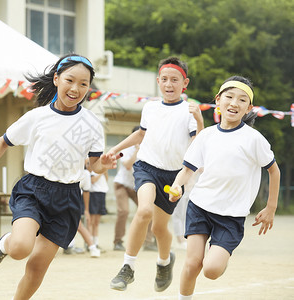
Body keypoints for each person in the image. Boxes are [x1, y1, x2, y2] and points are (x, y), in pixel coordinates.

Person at [0, 54, 118, 300]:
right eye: (70, 80)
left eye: (83, 83)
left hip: (68, 198)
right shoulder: (37, 117)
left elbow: (93, 166)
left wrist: (102, 164)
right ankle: (3, 244)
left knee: (37, 267)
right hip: (34, 191)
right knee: (20, 249)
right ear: (57, 79)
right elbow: (3, 142)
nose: (75, 88)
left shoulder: (91, 123)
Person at [167, 76, 280, 300]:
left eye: (241, 100)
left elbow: (274, 170)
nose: (234, 103)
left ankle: (219, 259)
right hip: (200, 207)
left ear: (249, 108)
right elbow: (187, 169)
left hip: (231, 216)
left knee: (210, 270)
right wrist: (177, 186)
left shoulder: (253, 139)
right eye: (229, 97)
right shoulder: (206, 136)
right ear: (218, 100)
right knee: (191, 264)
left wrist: (271, 207)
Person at [108, 56, 204, 292]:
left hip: (174, 177)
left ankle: (164, 262)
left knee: (160, 228)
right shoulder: (150, 107)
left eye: (175, 80)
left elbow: (198, 144)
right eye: (164, 79)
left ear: (185, 83)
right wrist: (115, 149)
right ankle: (128, 267)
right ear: (158, 81)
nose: (169, 84)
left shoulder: (189, 110)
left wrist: (200, 120)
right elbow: (140, 135)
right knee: (143, 211)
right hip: (146, 168)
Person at [113, 126, 156, 252]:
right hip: (121, 184)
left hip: (136, 186)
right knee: (124, 211)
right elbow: (127, 165)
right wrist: (137, 151)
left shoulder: (148, 150)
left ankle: (148, 242)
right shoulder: (127, 149)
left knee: (148, 211)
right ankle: (118, 242)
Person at [64, 160, 101, 258]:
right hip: (60, 197)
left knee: (78, 225)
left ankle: (92, 247)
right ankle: (71, 246)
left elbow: (86, 192)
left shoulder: (85, 174)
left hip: (73, 200)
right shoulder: (65, 169)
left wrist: (86, 210)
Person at [88, 169, 108, 249]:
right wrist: (102, 172)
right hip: (94, 193)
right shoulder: (92, 169)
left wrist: (104, 170)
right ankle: (90, 243)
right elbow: (93, 180)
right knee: (91, 221)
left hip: (102, 193)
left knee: (96, 222)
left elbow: (106, 179)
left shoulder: (102, 169)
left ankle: (95, 243)